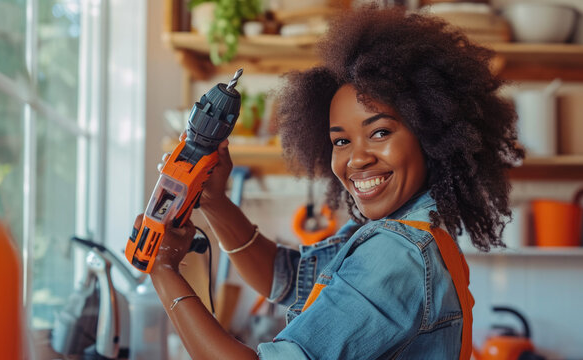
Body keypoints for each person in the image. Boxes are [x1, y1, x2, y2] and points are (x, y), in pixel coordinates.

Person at [138, 6, 524, 359]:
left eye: (379, 132)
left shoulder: (398, 254)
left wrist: (163, 271)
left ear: (430, 134)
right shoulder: (402, 233)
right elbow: (286, 278)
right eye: (341, 141)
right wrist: (216, 201)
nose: (356, 158)